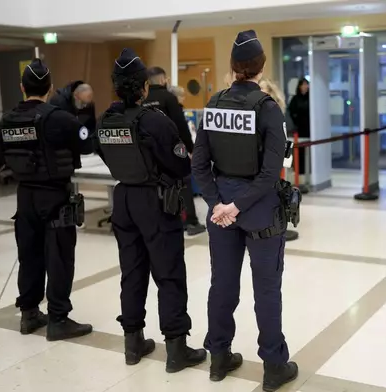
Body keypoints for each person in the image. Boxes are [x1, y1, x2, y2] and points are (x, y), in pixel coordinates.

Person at [192, 30, 298, 391]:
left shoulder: (214, 104)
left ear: (233, 66)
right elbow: (271, 174)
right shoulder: (269, 110)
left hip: (221, 209)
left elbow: (199, 164)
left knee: (222, 285)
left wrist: (217, 204)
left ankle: (218, 358)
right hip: (259, 210)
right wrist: (236, 205)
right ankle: (273, 367)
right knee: (266, 290)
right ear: (260, 66)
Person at [96, 49, 206, 372]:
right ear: (144, 87)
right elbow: (181, 163)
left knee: (131, 272)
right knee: (169, 273)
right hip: (155, 202)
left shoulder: (105, 121)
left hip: (124, 200)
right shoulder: (155, 121)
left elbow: (106, 157)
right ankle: (176, 350)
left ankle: (133, 343)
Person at [0, 59, 93, 341]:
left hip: (24, 196)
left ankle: (29, 314)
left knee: (29, 256)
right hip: (55, 196)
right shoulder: (59, 118)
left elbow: (3, 155)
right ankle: (58, 319)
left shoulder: (8, 120)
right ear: (50, 88)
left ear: (22, 87)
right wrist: (82, 113)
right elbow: (86, 143)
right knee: (59, 257)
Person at [144, 66, 206, 237]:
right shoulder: (169, 98)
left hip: (150, 151)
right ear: (163, 79)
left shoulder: (142, 100)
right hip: (173, 149)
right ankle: (190, 222)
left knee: (159, 185)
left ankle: (165, 219)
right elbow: (181, 125)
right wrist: (190, 149)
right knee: (183, 183)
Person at [49, 81, 96, 154]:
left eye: (87, 103)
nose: (85, 106)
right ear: (75, 96)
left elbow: (91, 127)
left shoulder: (88, 105)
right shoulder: (58, 102)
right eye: (83, 103)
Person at [288, 78, 309, 175]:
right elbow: (291, 111)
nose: (305, 87)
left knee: (308, 149)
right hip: (299, 128)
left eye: (306, 84)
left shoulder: (311, 98)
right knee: (299, 150)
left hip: (309, 128)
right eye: (303, 84)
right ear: (299, 86)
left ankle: (308, 169)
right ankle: (299, 169)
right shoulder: (295, 99)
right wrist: (296, 120)